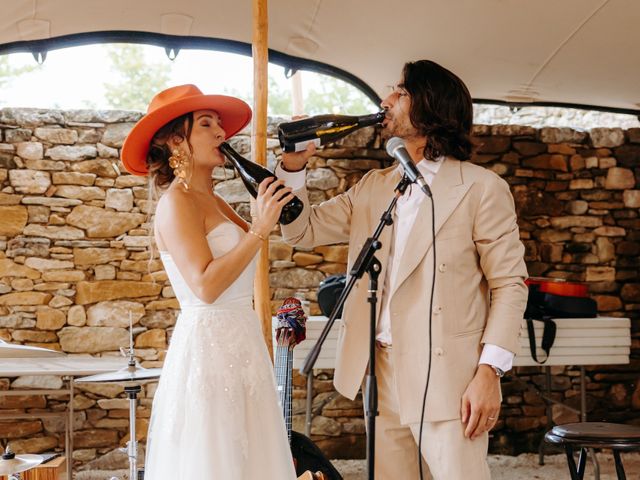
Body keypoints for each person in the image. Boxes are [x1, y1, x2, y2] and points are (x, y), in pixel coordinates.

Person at [276, 60, 528, 479]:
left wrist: (490, 372)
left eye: (400, 92)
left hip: (451, 379)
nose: (385, 100)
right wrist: (294, 168)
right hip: (380, 374)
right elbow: (301, 230)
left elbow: (509, 285)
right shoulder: (374, 186)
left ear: (431, 105)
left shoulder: (482, 188)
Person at [121, 84, 297, 479]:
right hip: (209, 351)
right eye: (206, 124)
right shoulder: (176, 203)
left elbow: (269, 235)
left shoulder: (216, 201)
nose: (222, 133)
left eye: (220, 124)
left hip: (244, 343)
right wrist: (258, 229)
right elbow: (205, 286)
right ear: (174, 141)